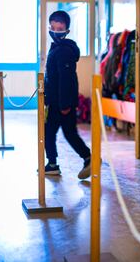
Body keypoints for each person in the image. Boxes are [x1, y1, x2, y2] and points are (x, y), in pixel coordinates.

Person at [44, 10, 91, 179]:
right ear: (49, 27)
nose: (56, 31)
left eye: (60, 28)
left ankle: (53, 164)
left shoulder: (63, 51)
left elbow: (66, 79)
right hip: (57, 100)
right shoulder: (57, 48)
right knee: (67, 132)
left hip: (60, 102)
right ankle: (86, 158)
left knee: (51, 132)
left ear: (67, 31)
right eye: (53, 27)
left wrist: (64, 105)